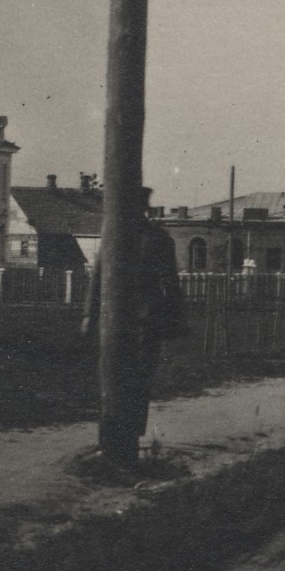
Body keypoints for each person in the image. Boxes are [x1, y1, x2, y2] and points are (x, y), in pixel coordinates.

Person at [79, 189, 187, 444]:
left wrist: (175, 318)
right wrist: (88, 315)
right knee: (113, 376)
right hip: (114, 321)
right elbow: (98, 277)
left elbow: (170, 282)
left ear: (144, 208)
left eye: (139, 206)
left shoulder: (158, 239)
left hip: (146, 320)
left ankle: (131, 434)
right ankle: (113, 433)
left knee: (140, 378)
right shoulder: (112, 238)